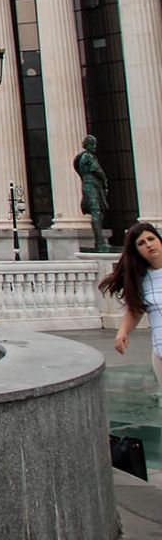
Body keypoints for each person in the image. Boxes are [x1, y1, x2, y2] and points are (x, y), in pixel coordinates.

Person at [100, 221, 162, 390]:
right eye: (141, 243)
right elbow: (136, 309)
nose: (148, 245)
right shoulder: (142, 279)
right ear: (137, 251)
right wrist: (123, 332)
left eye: (151, 239)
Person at [74, 134, 110, 251]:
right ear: (87, 145)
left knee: (99, 211)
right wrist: (105, 181)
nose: (94, 146)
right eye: (92, 144)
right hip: (92, 185)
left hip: (91, 184)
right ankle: (99, 242)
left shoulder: (85, 157)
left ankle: (99, 241)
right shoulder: (87, 157)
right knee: (96, 211)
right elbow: (97, 170)